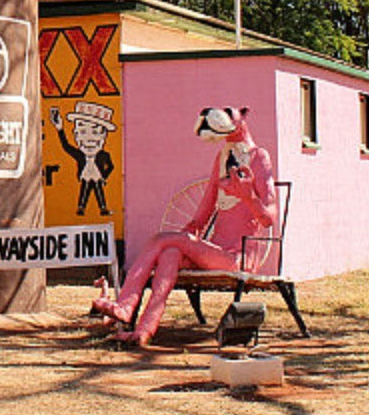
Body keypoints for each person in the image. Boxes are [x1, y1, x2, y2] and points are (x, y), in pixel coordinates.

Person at [91, 106, 277, 345]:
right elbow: (205, 208)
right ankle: (144, 331)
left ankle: (126, 305)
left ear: (243, 117)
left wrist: (248, 196)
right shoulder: (221, 158)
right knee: (170, 253)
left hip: (238, 256)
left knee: (161, 240)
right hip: (214, 250)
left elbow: (269, 218)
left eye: (230, 113)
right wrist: (191, 230)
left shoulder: (259, 157)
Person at [50, 102, 116, 215]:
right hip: (85, 175)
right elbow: (66, 146)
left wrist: (104, 176)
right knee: (84, 189)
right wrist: (60, 128)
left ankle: (103, 208)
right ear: (75, 134)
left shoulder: (103, 155)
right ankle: (81, 207)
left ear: (104, 136)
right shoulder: (80, 155)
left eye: (95, 132)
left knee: (98, 189)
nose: (89, 138)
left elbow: (111, 166)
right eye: (83, 132)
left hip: (97, 175)